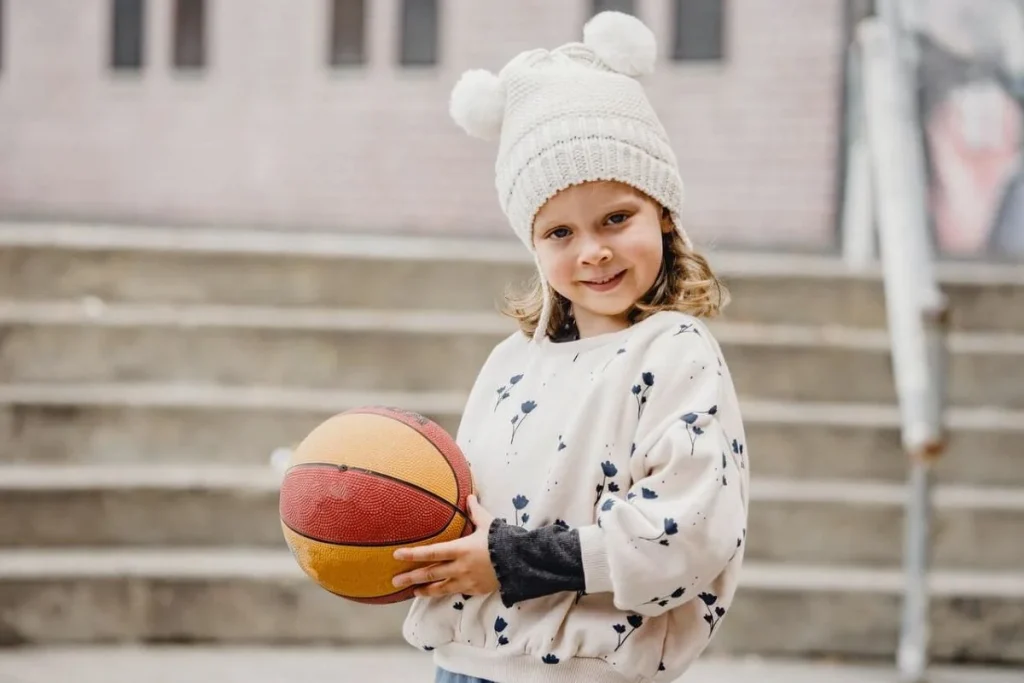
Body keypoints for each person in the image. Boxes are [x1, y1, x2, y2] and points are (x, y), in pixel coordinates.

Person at [391, 11, 749, 683]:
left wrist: (510, 559)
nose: (593, 250)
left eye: (617, 216)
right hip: (462, 666)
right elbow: (467, 507)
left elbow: (687, 533)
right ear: (533, 243)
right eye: (559, 232)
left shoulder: (676, 352)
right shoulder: (510, 362)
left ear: (664, 213)